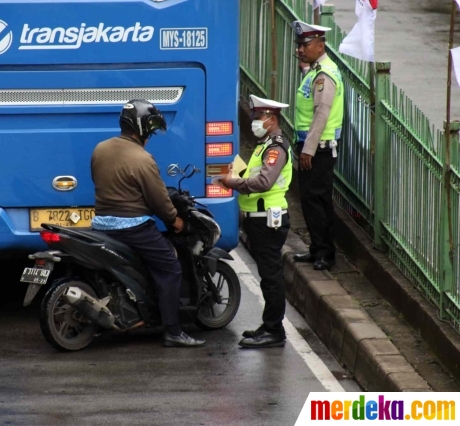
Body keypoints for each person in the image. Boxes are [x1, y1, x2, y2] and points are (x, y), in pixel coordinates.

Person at [90, 99, 205, 348]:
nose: (150, 138)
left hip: (101, 225)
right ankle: (173, 331)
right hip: (133, 228)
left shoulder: (100, 149)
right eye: (150, 132)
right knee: (170, 267)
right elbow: (159, 201)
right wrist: (175, 221)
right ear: (141, 129)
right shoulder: (143, 159)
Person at [214, 94, 292, 349]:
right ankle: (269, 325)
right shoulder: (263, 145)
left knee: (271, 276)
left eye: (258, 117)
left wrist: (232, 182)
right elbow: (251, 173)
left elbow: (263, 182)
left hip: (269, 220)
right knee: (267, 275)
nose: (254, 122)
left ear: (271, 119)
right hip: (257, 220)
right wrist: (231, 172)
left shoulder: (275, 148)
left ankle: (274, 330)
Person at [291, 20, 344, 271]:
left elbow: (321, 113)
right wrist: (305, 67)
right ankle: (317, 249)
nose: (300, 49)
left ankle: (325, 253)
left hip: (319, 148)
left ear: (320, 45)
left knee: (317, 200)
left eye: (305, 45)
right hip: (313, 146)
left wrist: (308, 149)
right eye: (298, 45)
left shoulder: (324, 75)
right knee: (312, 201)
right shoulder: (315, 71)